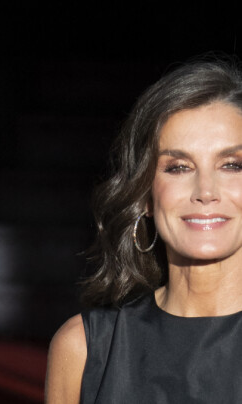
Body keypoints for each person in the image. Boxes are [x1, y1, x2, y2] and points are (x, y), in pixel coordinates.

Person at [45, 56, 242, 403]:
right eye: (178, 167)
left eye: (232, 165)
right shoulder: (84, 349)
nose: (206, 191)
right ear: (145, 196)